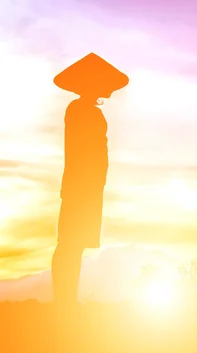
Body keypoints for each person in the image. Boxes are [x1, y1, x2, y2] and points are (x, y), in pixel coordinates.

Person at [51, 52, 129, 306]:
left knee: (75, 244)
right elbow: (86, 151)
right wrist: (89, 184)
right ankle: (64, 302)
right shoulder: (80, 110)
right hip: (80, 187)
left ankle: (67, 301)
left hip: (87, 186)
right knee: (70, 244)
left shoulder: (84, 110)